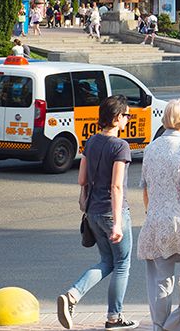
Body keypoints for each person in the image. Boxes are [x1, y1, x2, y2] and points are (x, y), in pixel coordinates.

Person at [58, 96, 138, 330]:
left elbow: (82, 179)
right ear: (116, 118)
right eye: (126, 115)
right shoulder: (120, 146)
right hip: (112, 213)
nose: (128, 119)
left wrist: (85, 201)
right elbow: (117, 186)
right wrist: (116, 223)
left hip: (93, 211)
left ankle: (72, 295)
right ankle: (114, 317)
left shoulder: (91, 141)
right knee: (122, 264)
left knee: (107, 261)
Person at [138, 98, 180, 331]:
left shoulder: (151, 148)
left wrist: (152, 213)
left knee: (160, 281)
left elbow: (145, 188)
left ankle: (159, 326)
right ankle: (175, 325)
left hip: (156, 221)